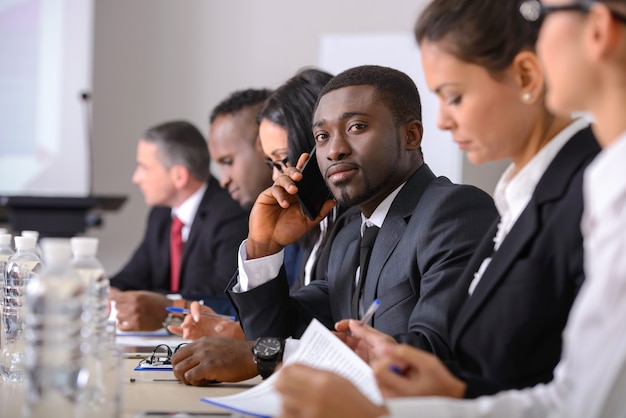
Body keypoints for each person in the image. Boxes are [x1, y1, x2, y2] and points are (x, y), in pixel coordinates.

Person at [275, 0, 626, 416]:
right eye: (321, 137)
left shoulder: (584, 189)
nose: (441, 121)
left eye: (454, 96)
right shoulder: (517, 196)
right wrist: (453, 391)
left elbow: (589, 401)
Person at [170, 65, 497, 385]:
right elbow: (281, 334)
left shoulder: (453, 211)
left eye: (356, 127)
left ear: (411, 135)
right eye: (322, 137)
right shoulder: (350, 233)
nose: (335, 150)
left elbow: (434, 353)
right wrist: (263, 247)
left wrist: (265, 355)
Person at [109, 120, 248, 331]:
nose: (136, 178)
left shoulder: (230, 213)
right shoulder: (161, 214)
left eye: (144, 167)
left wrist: (163, 307)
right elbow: (133, 277)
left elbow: (226, 299)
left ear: (179, 176)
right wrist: (110, 290)